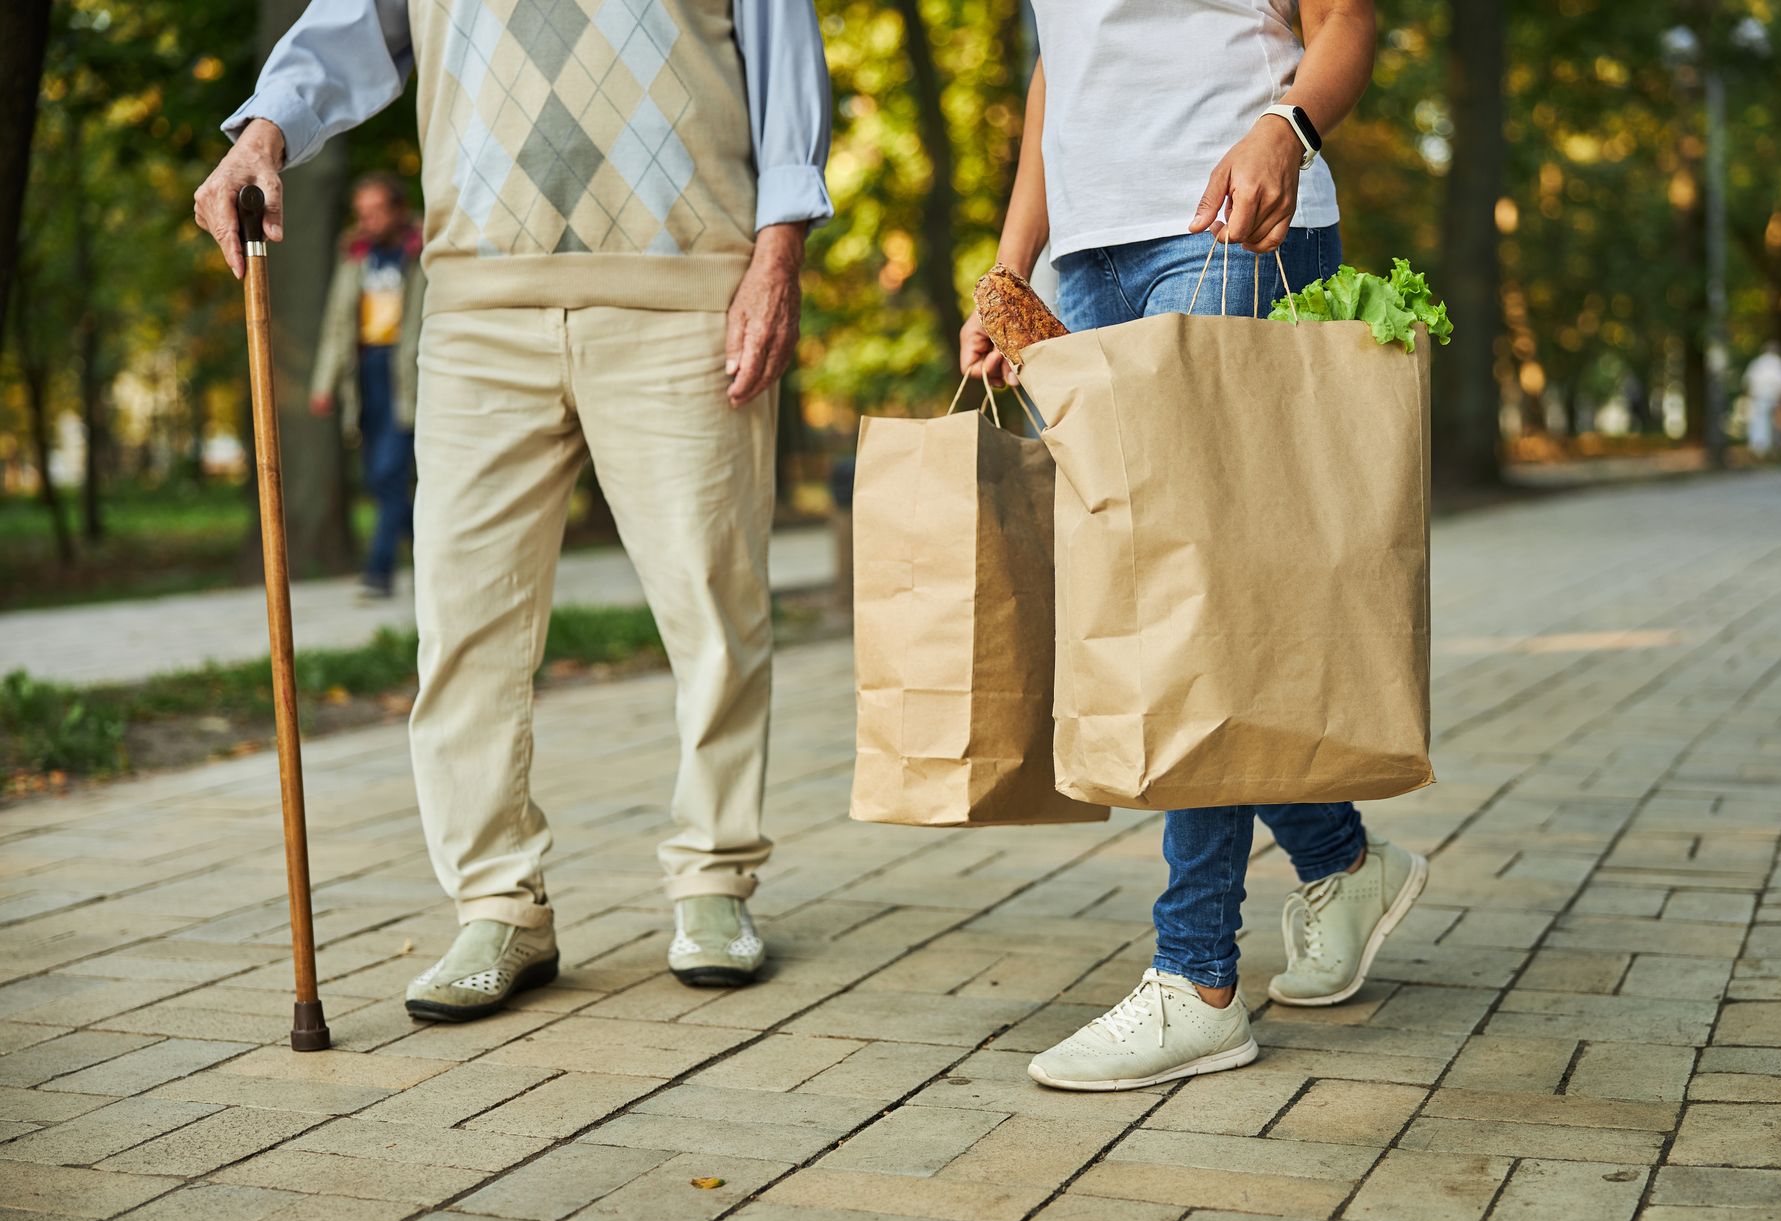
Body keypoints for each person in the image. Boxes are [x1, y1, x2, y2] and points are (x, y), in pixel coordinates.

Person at [194, 0, 832, 1020]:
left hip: (686, 290)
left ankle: (715, 878)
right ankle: (499, 904)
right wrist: (262, 132)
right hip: (478, 304)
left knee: (716, 600)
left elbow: (784, 54)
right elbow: (353, 24)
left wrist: (779, 251)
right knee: (465, 620)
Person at [960, 0, 1428, 1092]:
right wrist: (1009, 265)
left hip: (1235, 225)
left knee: (1191, 603)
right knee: (1156, 599)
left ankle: (1198, 979)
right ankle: (1338, 858)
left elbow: (1348, 21)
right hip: (1091, 258)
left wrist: (1291, 128)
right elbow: (1056, 71)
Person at [311, 173, 425, 599]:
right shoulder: (355, 257)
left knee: (388, 472)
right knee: (383, 480)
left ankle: (379, 572)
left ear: (398, 209)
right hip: (366, 377)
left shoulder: (421, 253)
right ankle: (432, 558)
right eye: (362, 213)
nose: (369, 221)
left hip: (407, 373)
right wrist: (325, 382)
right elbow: (338, 324)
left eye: (377, 211)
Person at [1742, 341, 1781, 461]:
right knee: (1775, 424)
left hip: (1758, 397)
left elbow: (1748, 382)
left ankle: (1760, 449)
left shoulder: (1756, 363)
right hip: (1774, 397)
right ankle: (1775, 449)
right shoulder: (1779, 363)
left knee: (1760, 423)